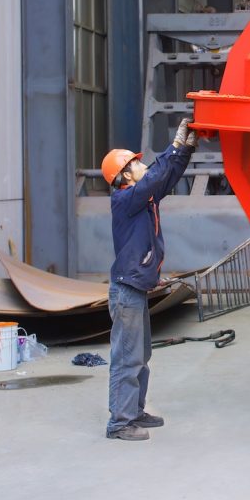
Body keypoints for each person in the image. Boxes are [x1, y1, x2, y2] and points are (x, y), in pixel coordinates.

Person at [98, 118, 198, 441]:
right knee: (127, 357)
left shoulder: (142, 197)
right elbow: (155, 177)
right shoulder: (125, 199)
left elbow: (165, 177)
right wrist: (174, 145)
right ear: (125, 175)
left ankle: (134, 411)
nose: (143, 166)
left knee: (141, 355)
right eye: (137, 163)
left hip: (135, 289)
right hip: (126, 291)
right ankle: (119, 423)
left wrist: (185, 151)